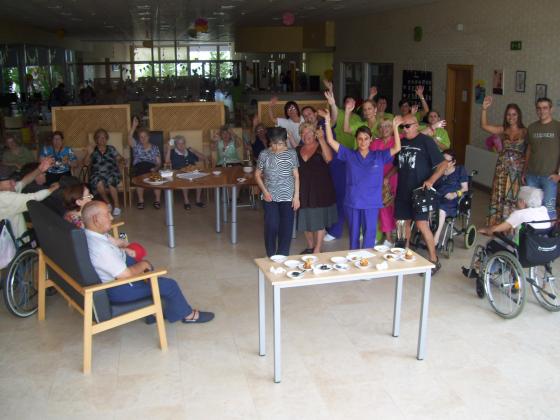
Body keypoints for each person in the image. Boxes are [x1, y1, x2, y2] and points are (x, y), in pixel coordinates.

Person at [83, 200, 214, 324]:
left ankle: (153, 314)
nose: (111, 217)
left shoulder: (91, 235)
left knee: (153, 278)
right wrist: (144, 264)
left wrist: (124, 249)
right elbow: (126, 275)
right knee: (169, 285)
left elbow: (114, 251)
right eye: (107, 214)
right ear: (96, 219)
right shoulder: (101, 248)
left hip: (119, 280)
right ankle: (188, 315)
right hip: (121, 289)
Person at [323, 109, 401, 250]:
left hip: (371, 202)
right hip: (353, 201)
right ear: (356, 140)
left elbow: (396, 148)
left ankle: (366, 260)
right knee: (354, 234)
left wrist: (395, 127)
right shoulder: (349, 154)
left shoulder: (379, 155)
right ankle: (354, 258)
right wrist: (327, 121)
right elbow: (330, 140)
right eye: (360, 138)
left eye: (366, 138)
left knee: (369, 234)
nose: (363, 141)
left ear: (371, 140)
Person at [394, 113, 447, 273]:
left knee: (421, 224)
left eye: (407, 126)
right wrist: (387, 177)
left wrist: (431, 180)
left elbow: (443, 164)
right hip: (403, 190)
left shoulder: (426, 141)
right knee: (403, 225)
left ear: (416, 125)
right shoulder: (401, 142)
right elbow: (397, 165)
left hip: (420, 192)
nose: (404, 129)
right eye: (402, 127)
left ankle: (434, 260)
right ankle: (404, 256)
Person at [481, 96, 527, 225]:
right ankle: (495, 224)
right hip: (502, 167)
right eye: (508, 114)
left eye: (514, 114)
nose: (511, 117)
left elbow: (530, 150)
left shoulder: (525, 131)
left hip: (517, 171)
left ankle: (509, 226)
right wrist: (484, 109)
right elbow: (484, 126)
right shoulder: (503, 129)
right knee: (499, 194)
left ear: (519, 115)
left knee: (512, 197)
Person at [254, 127, 300, 257]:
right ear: (269, 141)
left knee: (286, 227)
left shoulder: (291, 153)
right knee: (271, 224)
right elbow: (257, 175)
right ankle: (270, 254)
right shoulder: (264, 154)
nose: (276, 147)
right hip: (270, 196)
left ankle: (282, 255)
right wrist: (265, 191)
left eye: (280, 144)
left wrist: (296, 196)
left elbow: (296, 176)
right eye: (273, 144)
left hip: (288, 196)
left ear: (285, 141)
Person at [296, 122, 337, 254]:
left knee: (319, 220)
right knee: (305, 220)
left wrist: (322, 139)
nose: (306, 135)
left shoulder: (321, 146)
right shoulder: (297, 150)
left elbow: (329, 158)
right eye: (303, 133)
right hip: (303, 190)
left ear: (314, 134)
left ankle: (317, 249)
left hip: (321, 190)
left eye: (309, 132)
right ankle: (310, 246)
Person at [0, 159, 59, 241]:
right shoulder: (4, 198)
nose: (14, 183)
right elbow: (35, 197)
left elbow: (24, 181)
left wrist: (39, 169)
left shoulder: (7, 190)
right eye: (10, 182)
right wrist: (56, 187)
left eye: (12, 179)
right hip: (15, 243)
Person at [478, 186, 551, 249]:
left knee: (491, 244)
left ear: (522, 202)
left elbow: (497, 228)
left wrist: (486, 230)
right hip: (540, 247)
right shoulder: (544, 210)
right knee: (510, 236)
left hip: (522, 249)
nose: (516, 202)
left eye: (518, 200)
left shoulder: (519, 214)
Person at [523, 97, 560, 219]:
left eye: (545, 108)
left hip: (550, 177)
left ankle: (549, 231)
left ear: (551, 109)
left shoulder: (557, 127)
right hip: (532, 175)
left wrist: (559, 174)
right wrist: (524, 170)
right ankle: (533, 231)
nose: (541, 111)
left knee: (549, 210)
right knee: (531, 208)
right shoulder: (532, 127)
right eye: (539, 108)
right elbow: (529, 150)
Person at [371, 118, 399, 247]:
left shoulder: (397, 141)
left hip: (395, 178)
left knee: (396, 207)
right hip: (378, 180)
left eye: (387, 126)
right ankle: (388, 239)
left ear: (392, 128)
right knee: (384, 207)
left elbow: (399, 163)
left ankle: (398, 236)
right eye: (381, 127)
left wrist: (387, 176)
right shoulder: (375, 143)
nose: (384, 129)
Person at [84, 128, 124, 216]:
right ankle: (108, 203)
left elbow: (120, 158)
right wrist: (89, 153)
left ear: (107, 139)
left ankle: (117, 206)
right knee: (98, 182)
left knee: (111, 180)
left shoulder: (111, 148)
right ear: (96, 139)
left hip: (112, 172)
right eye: (100, 137)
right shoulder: (93, 150)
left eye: (104, 137)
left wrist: (121, 161)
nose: (102, 139)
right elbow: (86, 163)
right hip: (97, 173)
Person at [433, 149, 469, 246]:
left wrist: (455, 194)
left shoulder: (460, 170)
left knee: (441, 210)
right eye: (442, 160)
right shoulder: (438, 170)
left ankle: (436, 238)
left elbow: (465, 188)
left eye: (447, 161)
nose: (443, 163)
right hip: (437, 197)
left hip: (452, 201)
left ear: (453, 162)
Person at [165, 135, 207, 210]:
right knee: (185, 179)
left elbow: (204, 158)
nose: (181, 145)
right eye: (179, 143)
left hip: (193, 172)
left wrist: (194, 151)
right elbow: (167, 161)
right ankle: (186, 201)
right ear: (175, 145)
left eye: (183, 143)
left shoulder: (189, 151)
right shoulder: (172, 152)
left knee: (199, 178)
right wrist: (168, 148)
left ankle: (198, 200)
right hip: (178, 173)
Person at [128, 116, 161, 209]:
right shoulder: (136, 146)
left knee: (156, 176)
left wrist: (156, 168)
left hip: (151, 167)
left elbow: (158, 163)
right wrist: (134, 126)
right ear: (139, 138)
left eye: (145, 136)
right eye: (141, 137)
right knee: (139, 174)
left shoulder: (155, 147)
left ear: (148, 137)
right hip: (139, 167)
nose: (143, 138)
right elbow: (129, 138)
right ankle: (141, 200)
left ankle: (157, 200)